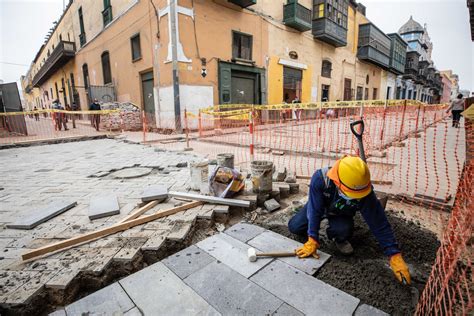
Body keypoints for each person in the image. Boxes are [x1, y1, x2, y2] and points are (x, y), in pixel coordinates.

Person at [288, 155, 411, 284]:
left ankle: (335, 235)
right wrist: (312, 238)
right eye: (351, 194)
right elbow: (314, 210)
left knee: (343, 231)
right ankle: (317, 228)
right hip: (320, 206)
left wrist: (394, 254)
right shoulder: (320, 179)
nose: (356, 197)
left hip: (341, 213)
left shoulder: (364, 191)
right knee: (294, 227)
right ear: (337, 182)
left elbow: (378, 222)